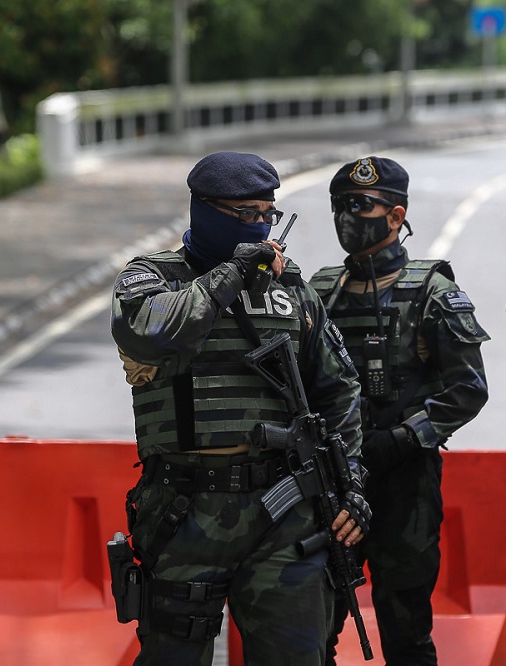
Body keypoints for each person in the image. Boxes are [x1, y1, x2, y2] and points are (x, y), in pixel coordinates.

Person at [110, 151, 369, 665]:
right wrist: (232, 272)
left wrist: (352, 484)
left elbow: (338, 390)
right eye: (245, 214)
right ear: (204, 211)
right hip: (186, 512)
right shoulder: (153, 278)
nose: (261, 226)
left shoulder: (290, 286)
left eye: (267, 213)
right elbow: (153, 334)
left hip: (285, 511)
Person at [312, 156, 489, 665]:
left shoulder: (433, 293)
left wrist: (403, 439)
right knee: (312, 630)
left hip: (402, 485)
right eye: (341, 206)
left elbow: (467, 389)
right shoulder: (317, 295)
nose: (349, 217)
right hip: (330, 485)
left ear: (396, 216)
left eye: (362, 205)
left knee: (405, 629)